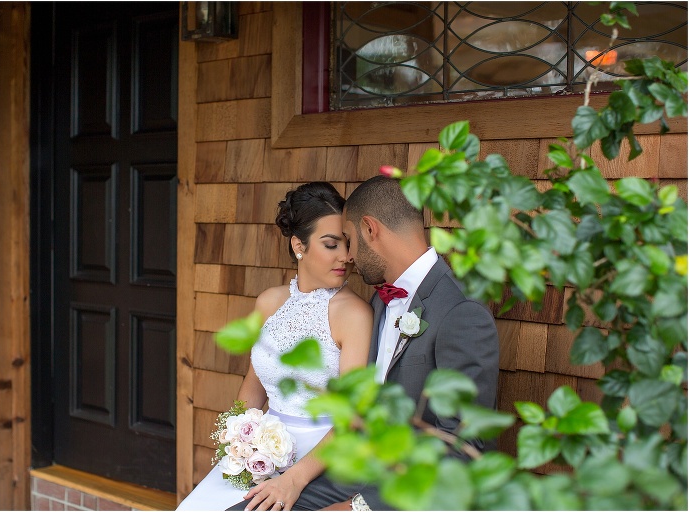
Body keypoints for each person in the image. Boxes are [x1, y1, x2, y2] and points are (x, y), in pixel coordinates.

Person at [280, 175, 501, 511]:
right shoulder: (380, 302)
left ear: (370, 229)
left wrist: (359, 508)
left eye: (349, 240)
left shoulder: (461, 312)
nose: (348, 256)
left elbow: (463, 447)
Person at [177, 182, 373, 511]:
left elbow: (352, 418)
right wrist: (236, 443)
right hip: (261, 447)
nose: (346, 256)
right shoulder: (268, 303)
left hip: (320, 456)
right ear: (298, 245)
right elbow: (252, 389)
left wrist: (294, 478)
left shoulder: (354, 315)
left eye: (347, 244)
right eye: (331, 244)